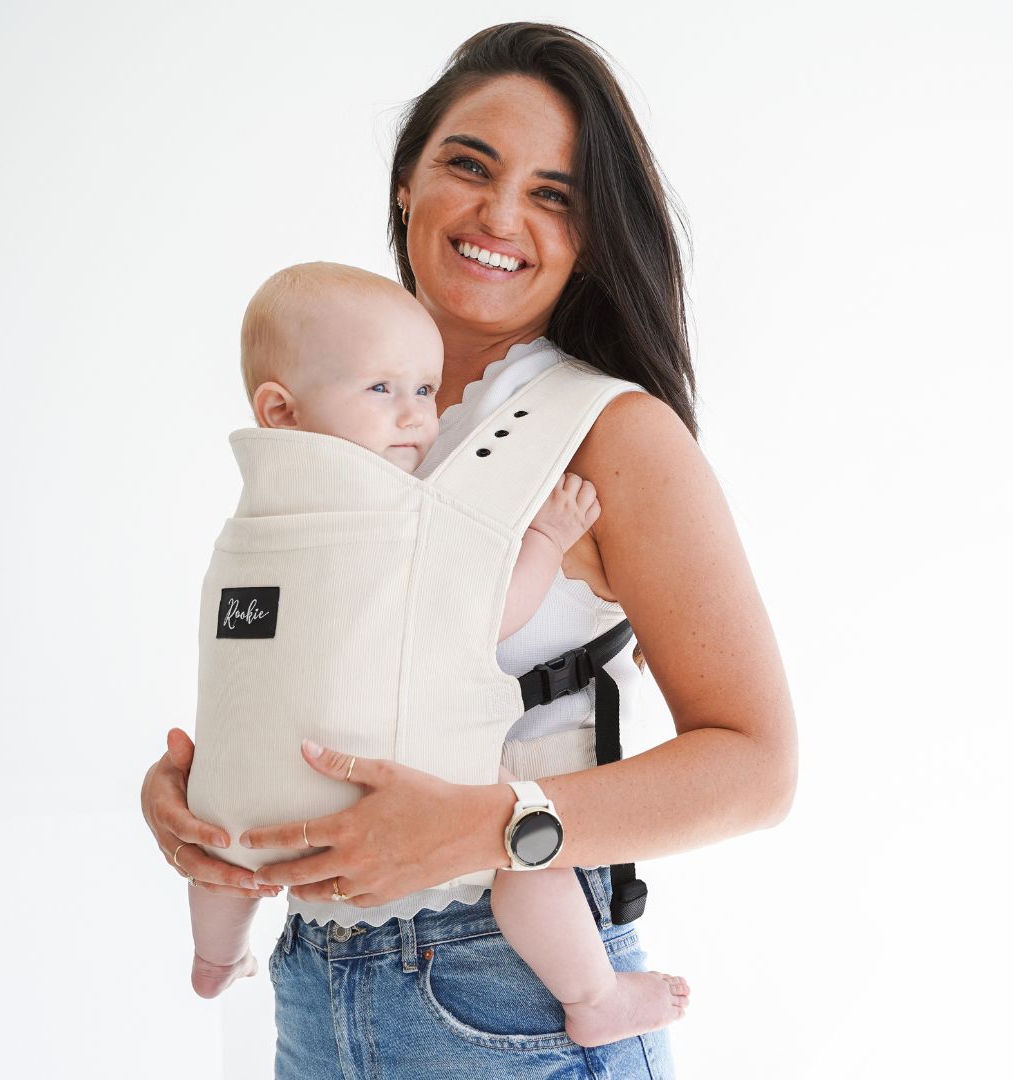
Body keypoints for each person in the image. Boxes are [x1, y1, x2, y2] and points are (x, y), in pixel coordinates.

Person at [141, 21, 797, 1079]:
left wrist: (494, 828)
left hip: (519, 989)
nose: (500, 216)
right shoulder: (332, 407)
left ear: (591, 234)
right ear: (408, 185)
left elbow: (759, 768)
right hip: (314, 975)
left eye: (554, 194)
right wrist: (199, 796)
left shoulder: (610, 434)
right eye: (469, 165)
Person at [185, 261, 690, 1049]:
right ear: (280, 408)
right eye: (383, 391)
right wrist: (548, 539)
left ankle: (215, 953)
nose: (416, 417)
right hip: (408, 836)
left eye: (423, 391)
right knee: (528, 859)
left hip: (250, 811)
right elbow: (483, 615)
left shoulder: (250, 519)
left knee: (223, 851)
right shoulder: (393, 517)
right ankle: (591, 994)